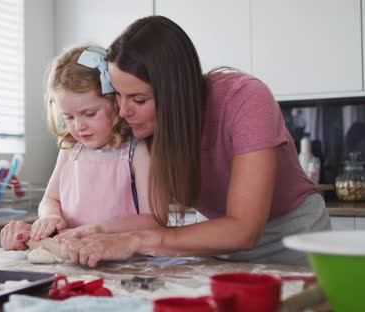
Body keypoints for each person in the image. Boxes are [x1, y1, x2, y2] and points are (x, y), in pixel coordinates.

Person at [59, 16, 331, 267]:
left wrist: (134, 240)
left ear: (174, 94)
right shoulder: (142, 123)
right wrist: (94, 230)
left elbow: (244, 230)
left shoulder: (246, 100)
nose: (123, 110)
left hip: (292, 239)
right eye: (117, 95)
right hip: (210, 237)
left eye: (139, 99)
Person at [0, 45, 158, 251]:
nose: (78, 126)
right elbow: (50, 199)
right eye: (69, 117)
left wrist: (100, 229)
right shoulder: (70, 150)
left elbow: (153, 220)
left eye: (89, 113)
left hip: (123, 262)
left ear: (115, 103)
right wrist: (50, 216)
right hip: (74, 259)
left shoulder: (135, 151)